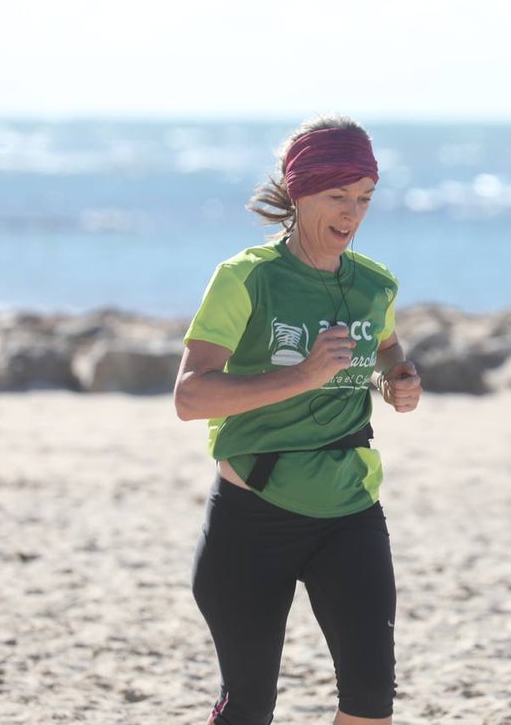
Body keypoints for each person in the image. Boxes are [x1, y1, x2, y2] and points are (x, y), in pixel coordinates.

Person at [174, 115, 422, 725]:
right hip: (254, 515)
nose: (352, 213)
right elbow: (190, 397)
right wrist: (303, 376)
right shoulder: (248, 278)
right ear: (299, 191)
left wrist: (397, 377)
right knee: (248, 708)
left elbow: (386, 345)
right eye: (338, 195)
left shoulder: (374, 284)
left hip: (351, 509)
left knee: (371, 701)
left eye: (365, 197)